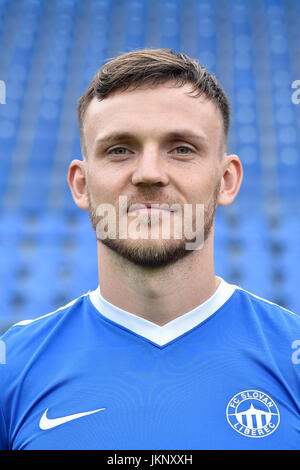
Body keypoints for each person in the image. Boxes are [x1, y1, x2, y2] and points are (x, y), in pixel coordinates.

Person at [0, 49, 299, 450]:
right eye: (120, 149)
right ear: (81, 185)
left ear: (226, 180)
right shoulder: (12, 366)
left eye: (182, 149)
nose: (150, 174)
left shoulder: (290, 356)